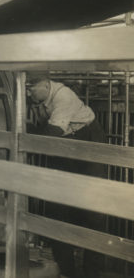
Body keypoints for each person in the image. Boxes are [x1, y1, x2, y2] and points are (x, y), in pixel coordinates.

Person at [26, 73, 106, 278]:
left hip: (88, 144)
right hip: (65, 145)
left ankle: (92, 274)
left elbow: (52, 134)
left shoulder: (64, 96)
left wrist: (27, 136)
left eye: (31, 88)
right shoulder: (38, 98)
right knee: (57, 208)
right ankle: (66, 272)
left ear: (45, 85)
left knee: (93, 210)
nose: (28, 92)